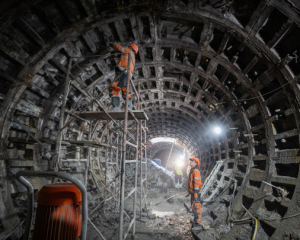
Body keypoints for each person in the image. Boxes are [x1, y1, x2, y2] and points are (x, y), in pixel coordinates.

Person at [109, 43, 138, 111]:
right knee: (126, 91)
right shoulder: (132, 57)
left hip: (122, 72)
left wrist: (113, 44)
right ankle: (129, 108)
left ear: (131, 47)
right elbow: (123, 59)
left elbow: (120, 48)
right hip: (127, 75)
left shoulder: (128, 51)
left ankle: (116, 107)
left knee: (115, 88)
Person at [188, 157, 203, 231]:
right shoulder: (192, 170)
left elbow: (196, 183)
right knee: (193, 207)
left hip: (195, 193)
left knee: (197, 208)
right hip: (193, 193)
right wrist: (190, 192)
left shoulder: (196, 171)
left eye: (192, 161)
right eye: (190, 161)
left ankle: (199, 224)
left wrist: (195, 194)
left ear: (196, 163)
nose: (190, 162)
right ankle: (195, 220)